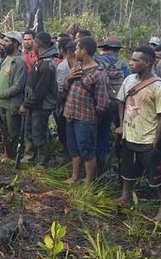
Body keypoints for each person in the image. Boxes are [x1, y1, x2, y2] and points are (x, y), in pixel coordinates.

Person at [115, 46, 161, 220]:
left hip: (148, 139)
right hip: (129, 135)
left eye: (135, 60)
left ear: (147, 63)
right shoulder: (129, 80)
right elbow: (121, 102)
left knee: (157, 177)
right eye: (131, 59)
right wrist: (121, 125)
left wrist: (155, 142)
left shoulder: (159, 87)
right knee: (127, 170)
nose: (130, 63)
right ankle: (126, 196)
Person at [63, 36, 110, 185]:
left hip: (86, 120)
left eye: (77, 48)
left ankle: (89, 182)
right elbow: (66, 88)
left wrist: (92, 116)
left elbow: (103, 103)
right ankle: (75, 177)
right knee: (74, 150)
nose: (75, 51)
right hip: (71, 115)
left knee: (87, 151)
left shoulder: (98, 74)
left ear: (83, 51)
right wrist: (68, 79)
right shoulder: (77, 68)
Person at [20, 32, 59, 167]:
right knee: (29, 130)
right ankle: (30, 157)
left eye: (35, 42)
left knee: (39, 134)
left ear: (40, 44)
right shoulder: (41, 60)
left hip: (41, 106)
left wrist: (26, 104)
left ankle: (42, 162)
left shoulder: (47, 64)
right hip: (34, 104)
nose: (33, 45)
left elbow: (41, 91)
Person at [0, 31, 27, 157]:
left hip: (12, 104)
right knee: (5, 130)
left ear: (15, 44)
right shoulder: (7, 58)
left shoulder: (19, 62)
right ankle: (8, 153)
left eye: (7, 41)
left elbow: (17, 86)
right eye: (4, 40)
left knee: (13, 131)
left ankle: (16, 155)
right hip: (2, 102)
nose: (4, 43)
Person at [95, 36, 129, 175]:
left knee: (94, 134)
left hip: (97, 104)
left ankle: (92, 170)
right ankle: (104, 167)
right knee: (104, 135)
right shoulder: (124, 66)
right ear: (117, 50)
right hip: (115, 105)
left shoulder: (98, 61)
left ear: (105, 48)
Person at [54, 38, 75, 161]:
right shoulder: (64, 66)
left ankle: (67, 156)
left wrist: (58, 106)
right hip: (67, 105)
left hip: (66, 105)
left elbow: (60, 90)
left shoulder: (62, 67)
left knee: (66, 132)